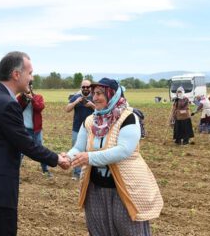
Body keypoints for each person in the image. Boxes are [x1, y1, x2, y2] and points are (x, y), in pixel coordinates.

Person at [0, 51, 70, 236]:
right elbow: (26, 144)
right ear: (16, 74)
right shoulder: (7, 104)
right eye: (30, 73)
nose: (32, 78)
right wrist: (57, 158)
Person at [67, 78, 163, 235]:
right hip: (96, 188)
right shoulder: (90, 120)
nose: (94, 97)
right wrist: (68, 157)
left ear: (112, 95)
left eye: (99, 93)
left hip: (124, 188)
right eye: (93, 93)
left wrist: (89, 158)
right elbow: (79, 147)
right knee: (99, 229)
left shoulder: (129, 118)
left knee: (128, 229)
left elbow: (123, 150)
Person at [17, 84, 52, 177]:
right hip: (24, 129)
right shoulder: (20, 98)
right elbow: (17, 108)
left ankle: (45, 170)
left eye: (29, 87)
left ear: (32, 88)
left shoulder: (38, 97)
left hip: (36, 130)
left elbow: (39, 108)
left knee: (40, 149)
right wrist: (22, 97)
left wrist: (32, 99)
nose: (28, 89)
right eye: (26, 87)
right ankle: (15, 173)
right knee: (20, 152)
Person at [65, 79, 95, 180]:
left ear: (90, 88)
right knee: (76, 150)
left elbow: (102, 111)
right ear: (81, 88)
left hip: (92, 130)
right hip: (77, 128)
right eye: (84, 87)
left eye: (88, 87)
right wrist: (76, 102)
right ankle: (77, 173)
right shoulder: (76, 97)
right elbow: (67, 109)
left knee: (90, 150)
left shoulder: (94, 98)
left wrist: (91, 105)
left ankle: (87, 173)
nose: (86, 89)